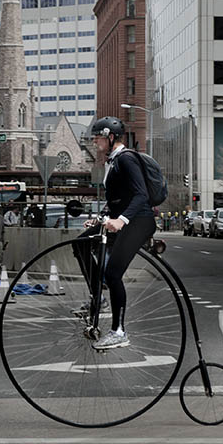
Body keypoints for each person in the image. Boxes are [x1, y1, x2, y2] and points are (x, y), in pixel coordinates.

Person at [85, 116, 156, 351]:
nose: (95, 142)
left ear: (110, 136)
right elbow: (117, 201)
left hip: (140, 221)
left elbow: (141, 195)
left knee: (113, 272)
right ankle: (99, 298)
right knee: (82, 242)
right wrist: (100, 219)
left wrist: (121, 221)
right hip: (124, 218)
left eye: (98, 138)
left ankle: (119, 331)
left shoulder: (126, 159)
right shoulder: (113, 162)